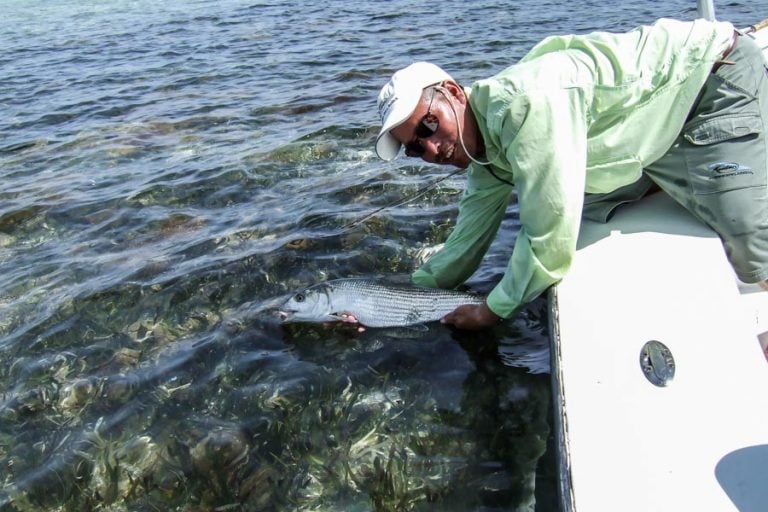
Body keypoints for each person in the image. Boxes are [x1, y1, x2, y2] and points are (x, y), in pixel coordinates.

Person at [370, 17, 768, 330]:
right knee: (581, 214)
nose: (431, 148)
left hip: (711, 81)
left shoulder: (524, 108)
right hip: (648, 126)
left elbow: (547, 239)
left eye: (428, 125)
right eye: (414, 147)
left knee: (751, 245)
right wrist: (387, 301)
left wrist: (493, 310)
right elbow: (464, 246)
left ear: (454, 93)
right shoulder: (485, 156)